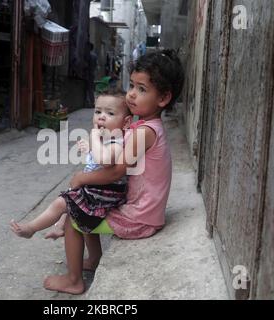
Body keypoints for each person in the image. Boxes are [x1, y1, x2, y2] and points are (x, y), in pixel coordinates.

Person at [42, 49, 185, 295]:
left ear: (163, 98)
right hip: (144, 210)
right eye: (131, 85)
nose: (131, 94)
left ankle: (74, 279)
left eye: (142, 89)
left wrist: (81, 178)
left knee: (76, 218)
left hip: (140, 217)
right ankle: (94, 259)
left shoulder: (144, 132)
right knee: (88, 204)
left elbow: (113, 173)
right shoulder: (142, 125)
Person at [10, 89, 133, 242]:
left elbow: (105, 160)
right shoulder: (105, 140)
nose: (101, 117)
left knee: (61, 202)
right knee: (70, 195)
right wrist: (89, 146)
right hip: (96, 189)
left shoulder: (118, 143)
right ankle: (63, 230)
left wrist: (93, 138)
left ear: (126, 122)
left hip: (106, 194)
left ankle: (32, 228)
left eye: (110, 113)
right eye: (98, 111)